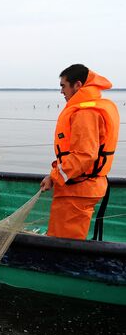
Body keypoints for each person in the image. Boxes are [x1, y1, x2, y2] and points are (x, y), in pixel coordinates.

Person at [40, 64, 120, 240]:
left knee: (63, 242)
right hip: (83, 186)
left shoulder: (86, 112)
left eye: (63, 86)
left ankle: (63, 266)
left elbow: (84, 155)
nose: (61, 91)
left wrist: (54, 176)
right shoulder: (92, 107)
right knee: (65, 236)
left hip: (78, 190)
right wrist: (54, 175)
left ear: (77, 85)